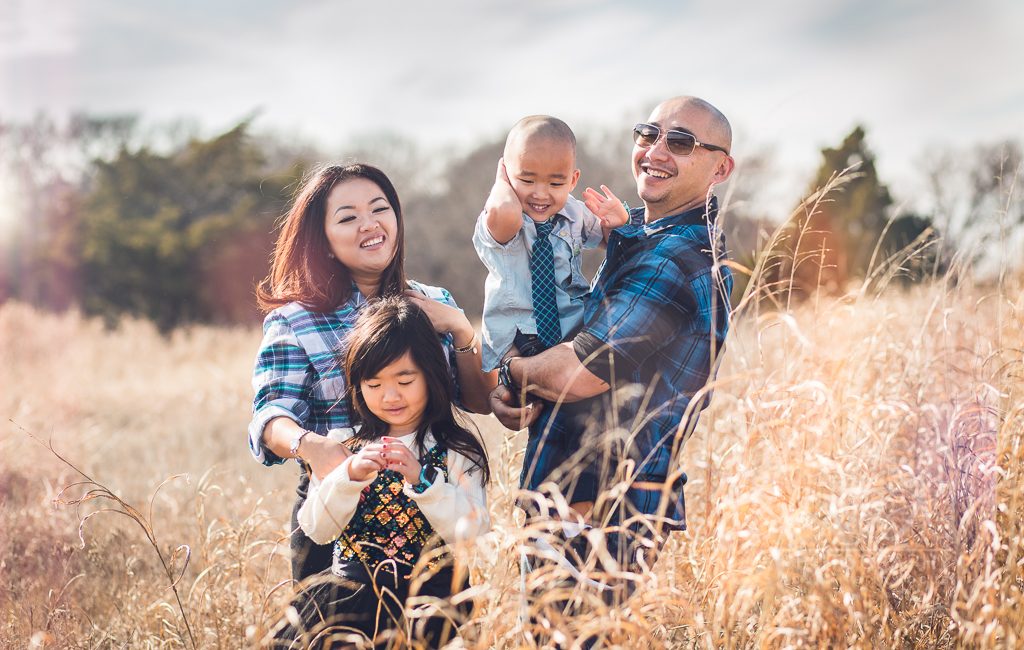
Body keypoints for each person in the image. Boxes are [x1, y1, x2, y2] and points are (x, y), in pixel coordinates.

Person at [490, 96, 736, 573]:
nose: (657, 151)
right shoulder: (643, 237)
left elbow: (576, 374)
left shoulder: (677, 258)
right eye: (649, 134)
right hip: (571, 498)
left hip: (601, 509)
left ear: (720, 169)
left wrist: (510, 369)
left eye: (681, 142)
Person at [249, 163, 495, 582]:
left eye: (379, 209)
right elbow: (271, 417)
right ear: (323, 240)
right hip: (339, 503)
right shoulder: (296, 320)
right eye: (348, 217)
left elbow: (476, 401)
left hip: (430, 500)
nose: (370, 224)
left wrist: (459, 327)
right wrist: (313, 447)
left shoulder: (435, 302)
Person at [272, 296, 491, 648]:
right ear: (357, 385)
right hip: (348, 602)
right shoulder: (344, 445)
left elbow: (473, 530)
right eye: (374, 385)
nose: (390, 395)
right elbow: (316, 527)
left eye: (405, 380)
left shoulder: (456, 449)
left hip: (431, 603)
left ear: (432, 375)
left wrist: (423, 482)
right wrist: (348, 478)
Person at [472, 115, 628, 517]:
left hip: (570, 333)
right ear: (506, 176)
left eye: (555, 183)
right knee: (542, 420)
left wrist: (617, 220)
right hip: (521, 338)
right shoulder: (501, 216)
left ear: (573, 180)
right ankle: (541, 508)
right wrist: (501, 185)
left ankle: (583, 502)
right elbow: (506, 211)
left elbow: (610, 238)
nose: (541, 194)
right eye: (527, 179)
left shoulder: (574, 214)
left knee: (582, 415)